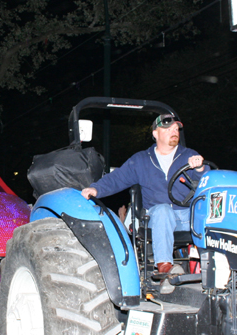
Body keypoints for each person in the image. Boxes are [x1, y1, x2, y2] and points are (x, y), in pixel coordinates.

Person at [81, 114, 206, 277]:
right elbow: (118, 178)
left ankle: (216, 267)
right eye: (168, 129)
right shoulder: (141, 160)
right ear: (155, 133)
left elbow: (206, 182)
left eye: (176, 129)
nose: (174, 131)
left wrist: (199, 169)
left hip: (185, 216)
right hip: (156, 217)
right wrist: (95, 189)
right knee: (163, 210)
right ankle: (165, 268)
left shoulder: (189, 156)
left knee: (209, 212)